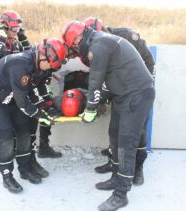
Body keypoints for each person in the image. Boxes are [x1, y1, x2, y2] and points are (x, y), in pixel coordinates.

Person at [62, 20, 155, 210]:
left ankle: (121, 194)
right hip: (123, 94)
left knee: (125, 143)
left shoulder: (98, 45)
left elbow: (95, 80)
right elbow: (105, 81)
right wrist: (90, 103)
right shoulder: (100, 40)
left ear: (78, 39)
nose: (75, 50)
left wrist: (90, 109)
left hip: (136, 94)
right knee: (114, 135)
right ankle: (115, 177)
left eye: (73, 46)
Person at [0, 38, 66, 193]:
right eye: (49, 64)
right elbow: (23, 102)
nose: (49, 68)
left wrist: (45, 108)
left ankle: (25, 168)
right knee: (6, 136)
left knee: (24, 132)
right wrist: (41, 115)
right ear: (42, 55)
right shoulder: (19, 65)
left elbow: (35, 90)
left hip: (13, 94)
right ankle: (7, 175)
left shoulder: (40, 65)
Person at [83, 17, 155, 185]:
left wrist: (145, 84)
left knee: (136, 133)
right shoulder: (101, 45)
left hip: (139, 89)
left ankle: (137, 170)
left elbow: (149, 61)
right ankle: (115, 167)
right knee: (116, 132)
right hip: (122, 90)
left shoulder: (127, 36)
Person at [0, 10, 61, 160]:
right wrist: (1, 38)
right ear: (4, 27)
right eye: (14, 29)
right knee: (4, 127)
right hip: (0, 87)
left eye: (18, 29)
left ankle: (25, 154)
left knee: (22, 120)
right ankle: (4, 152)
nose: (16, 32)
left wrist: (23, 38)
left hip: (17, 85)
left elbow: (28, 58)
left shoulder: (17, 42)